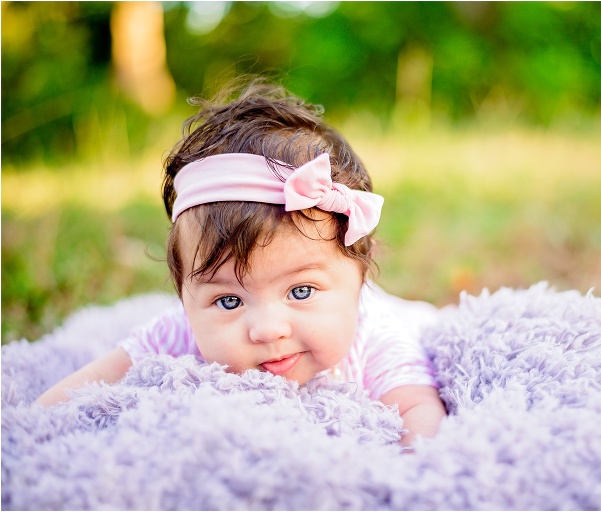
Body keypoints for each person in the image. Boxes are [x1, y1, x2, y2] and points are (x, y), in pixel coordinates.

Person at [34, 78, 447, 447]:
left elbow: (419, 414)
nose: (267, 329)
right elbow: (80, 391)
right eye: (229, 301)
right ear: (184, 295)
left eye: (300, 291)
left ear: (360, 276)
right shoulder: (177, 333)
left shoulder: (377, 337)